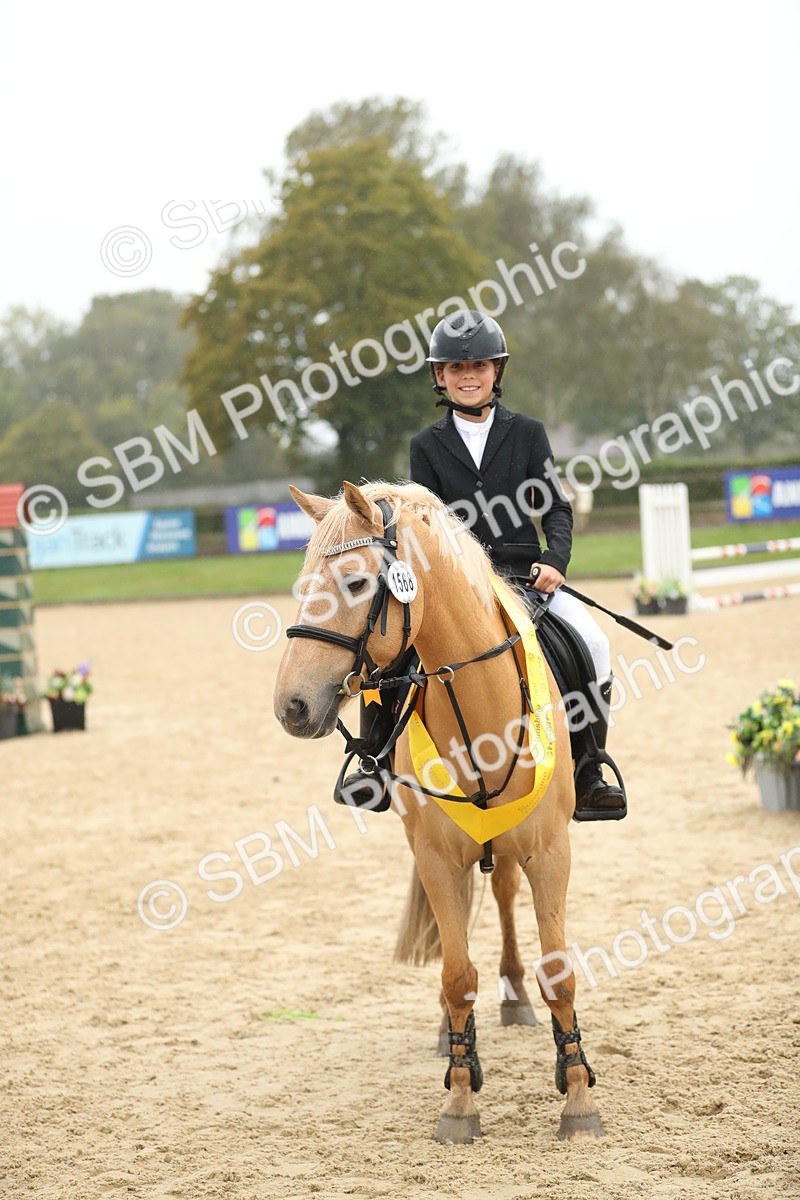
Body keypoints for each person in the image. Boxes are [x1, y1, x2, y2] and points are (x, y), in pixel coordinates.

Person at [336, 308, 626, 820]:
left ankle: (588, 770)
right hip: (455, 586)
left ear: (497, 371)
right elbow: (423, 522)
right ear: (440, 375)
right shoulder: (426, 446)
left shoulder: (528, 433)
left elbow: (555, 509)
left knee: (595, 644)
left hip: (525, 578)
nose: (467, 376)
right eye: (456, 368)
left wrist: (555, 560)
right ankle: (374, 765)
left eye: (479, 366)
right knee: (386, 650)